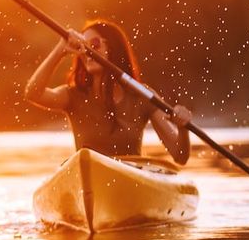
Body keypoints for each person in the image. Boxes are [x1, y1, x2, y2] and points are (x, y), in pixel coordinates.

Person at [24, 19, 193, 164]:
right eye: (84, 46)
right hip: (91, 182)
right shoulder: (74, 96)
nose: (88, 52)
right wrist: (60, 50)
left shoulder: (142, 96)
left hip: (130, 181)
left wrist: (183, 128)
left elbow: (180, 156)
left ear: (112, 47)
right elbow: (33, 93)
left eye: (94, 44)